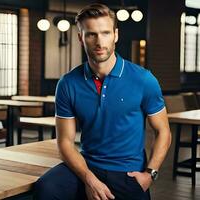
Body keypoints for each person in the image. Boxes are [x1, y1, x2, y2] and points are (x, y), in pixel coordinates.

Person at [34, 3, 172, 200]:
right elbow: (64, 142)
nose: (99, 42)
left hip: (128, 173)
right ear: (81, 38)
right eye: (91, 34)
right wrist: (89, 179)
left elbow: (163, 132)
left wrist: (150, 174)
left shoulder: (143, 79)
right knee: (46, 189)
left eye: (105, 33)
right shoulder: (68, 83)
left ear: (115, 35)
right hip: (87, 166)